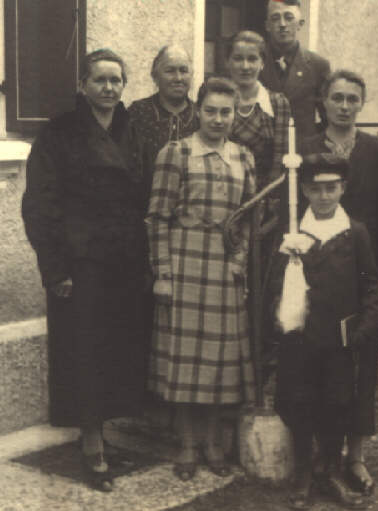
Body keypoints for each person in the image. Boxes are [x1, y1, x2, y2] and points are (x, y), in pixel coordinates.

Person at [22, 49, 148, 492]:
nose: (109, 88)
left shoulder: (131, 130)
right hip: (81, 265)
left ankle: (105, 432)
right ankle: (91, 445)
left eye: (117, 80)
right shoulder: (59, 133)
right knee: (85, 352)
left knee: (115, 349)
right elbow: (39, 206)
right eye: (100, 80)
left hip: (125, 265)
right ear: (83, 85)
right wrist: (55, 269)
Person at [146, 77, 256, 481]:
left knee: (217, 364)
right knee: (185, 364)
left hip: (224, 270)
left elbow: (246, 218)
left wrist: (239, 260)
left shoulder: (243, 157)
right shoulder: (176, 152)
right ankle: (188, 445)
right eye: (210, 110)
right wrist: (163, 274)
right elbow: (157, 217)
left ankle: (213, 443)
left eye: (226, 111)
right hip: (185, 265)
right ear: (198, 111)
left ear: (234, 114)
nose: (218, 119)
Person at [300, 69, 378, 496]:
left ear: (362, 102)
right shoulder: (304, 148)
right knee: (322, 368)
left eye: (351, 99)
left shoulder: (377, 149)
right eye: (336, 98)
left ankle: (356, 457)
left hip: (365, 268)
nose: (343, 106)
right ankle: (323, 459)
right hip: (320, 271)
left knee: (362, 367)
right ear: (323, 102)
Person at [272, 153, 378, 510]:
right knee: (299, 401)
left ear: (342, 189)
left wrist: (362, 329)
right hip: (300, 338)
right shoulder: (291, 231)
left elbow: (370, 287)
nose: (323, 196)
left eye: (331, 188)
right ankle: (305, 468)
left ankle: (331, 468)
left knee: (337, 403)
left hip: (339, 340)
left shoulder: (356, 232)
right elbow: (274, 287)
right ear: (303, 190)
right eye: (316, 189)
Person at [128, 44, 198, 202]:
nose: (178, 78)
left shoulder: (201, 115)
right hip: (142, 206)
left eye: (184, 70)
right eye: (170, 71)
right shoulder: (137, 113)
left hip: (190, 210)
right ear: (155, 76)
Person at [225, 30, 291, 190]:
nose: (245, 66)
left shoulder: (277, 103)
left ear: (262, 63)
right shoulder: (217, 102)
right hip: (223, 189)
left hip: (265, 194)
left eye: (252, 59)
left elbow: (280, 161)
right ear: (227, 62)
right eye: (238, 58)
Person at [260, 0, 330, 140]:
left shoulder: (318, 65)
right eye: (275, 18)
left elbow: (328, 117)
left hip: (303, 153)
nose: (282, 24)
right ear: (267, 25)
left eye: (289, 17)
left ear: (300, 24)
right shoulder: (254, 62)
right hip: (263, 153)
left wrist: (312, 141)